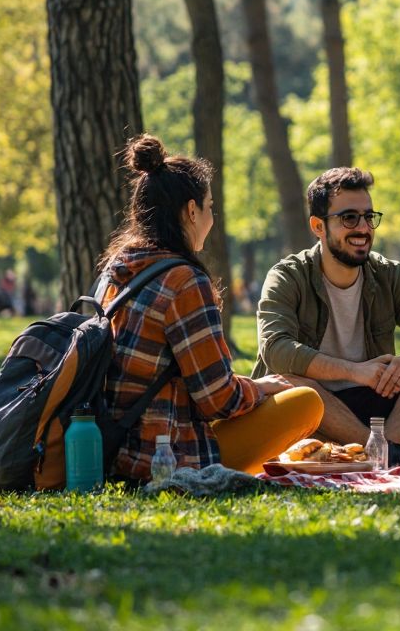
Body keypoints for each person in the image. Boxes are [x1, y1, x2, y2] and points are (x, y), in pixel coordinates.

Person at [99, 135, 324, 480]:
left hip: (111, 448)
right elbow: (218, 400)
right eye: (210, 207)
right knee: (306, 402)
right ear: (192, 211)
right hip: (160, 457)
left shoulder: (119, 269)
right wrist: (262, 388)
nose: (211, 217)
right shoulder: (184, 281)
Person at [252, 167, 400, 465]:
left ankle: (380, 452)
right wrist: (354, 371)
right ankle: (392, 452)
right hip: (313, 410)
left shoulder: (387, 274)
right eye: (349, 218)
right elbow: (276, 350)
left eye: (369, 217)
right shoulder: (287, 276)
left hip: (373, 404)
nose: (363, 228)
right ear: (318, 226)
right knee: (295, 386)